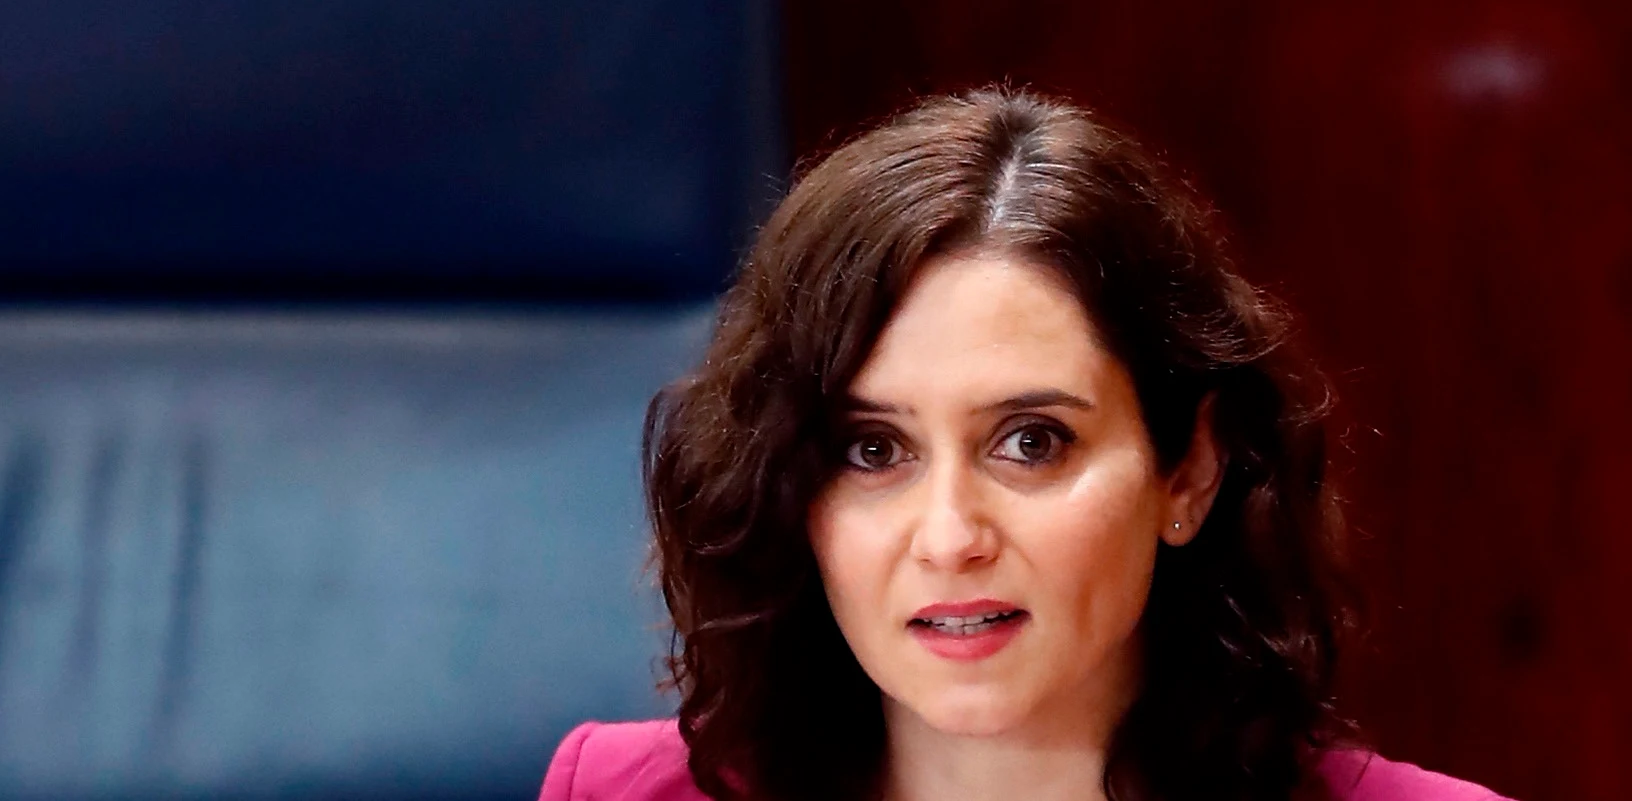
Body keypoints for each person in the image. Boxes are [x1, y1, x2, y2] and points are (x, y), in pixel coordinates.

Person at [536, 90, 1500, 801]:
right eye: (873, 450)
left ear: (1190, 468)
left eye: (1031, 441)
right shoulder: (621, 790)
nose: (951, 535)